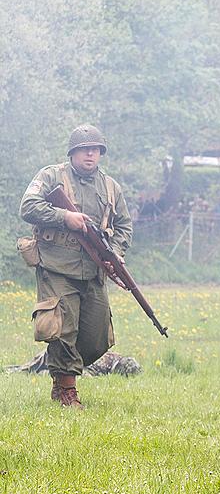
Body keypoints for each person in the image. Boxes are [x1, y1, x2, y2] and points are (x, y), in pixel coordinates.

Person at [20, 124, 133, 409]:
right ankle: (67, 389)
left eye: (95, 150)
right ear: (73, 152)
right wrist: (63, 217)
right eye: (84, 150)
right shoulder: (50, 175)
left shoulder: (110, 187)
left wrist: (115, 253)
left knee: (97, 338)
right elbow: (28, 206)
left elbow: (124, 225)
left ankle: (60, 374)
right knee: (63, 329)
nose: (90, 155)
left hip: (93, 269)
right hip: (56, 266)